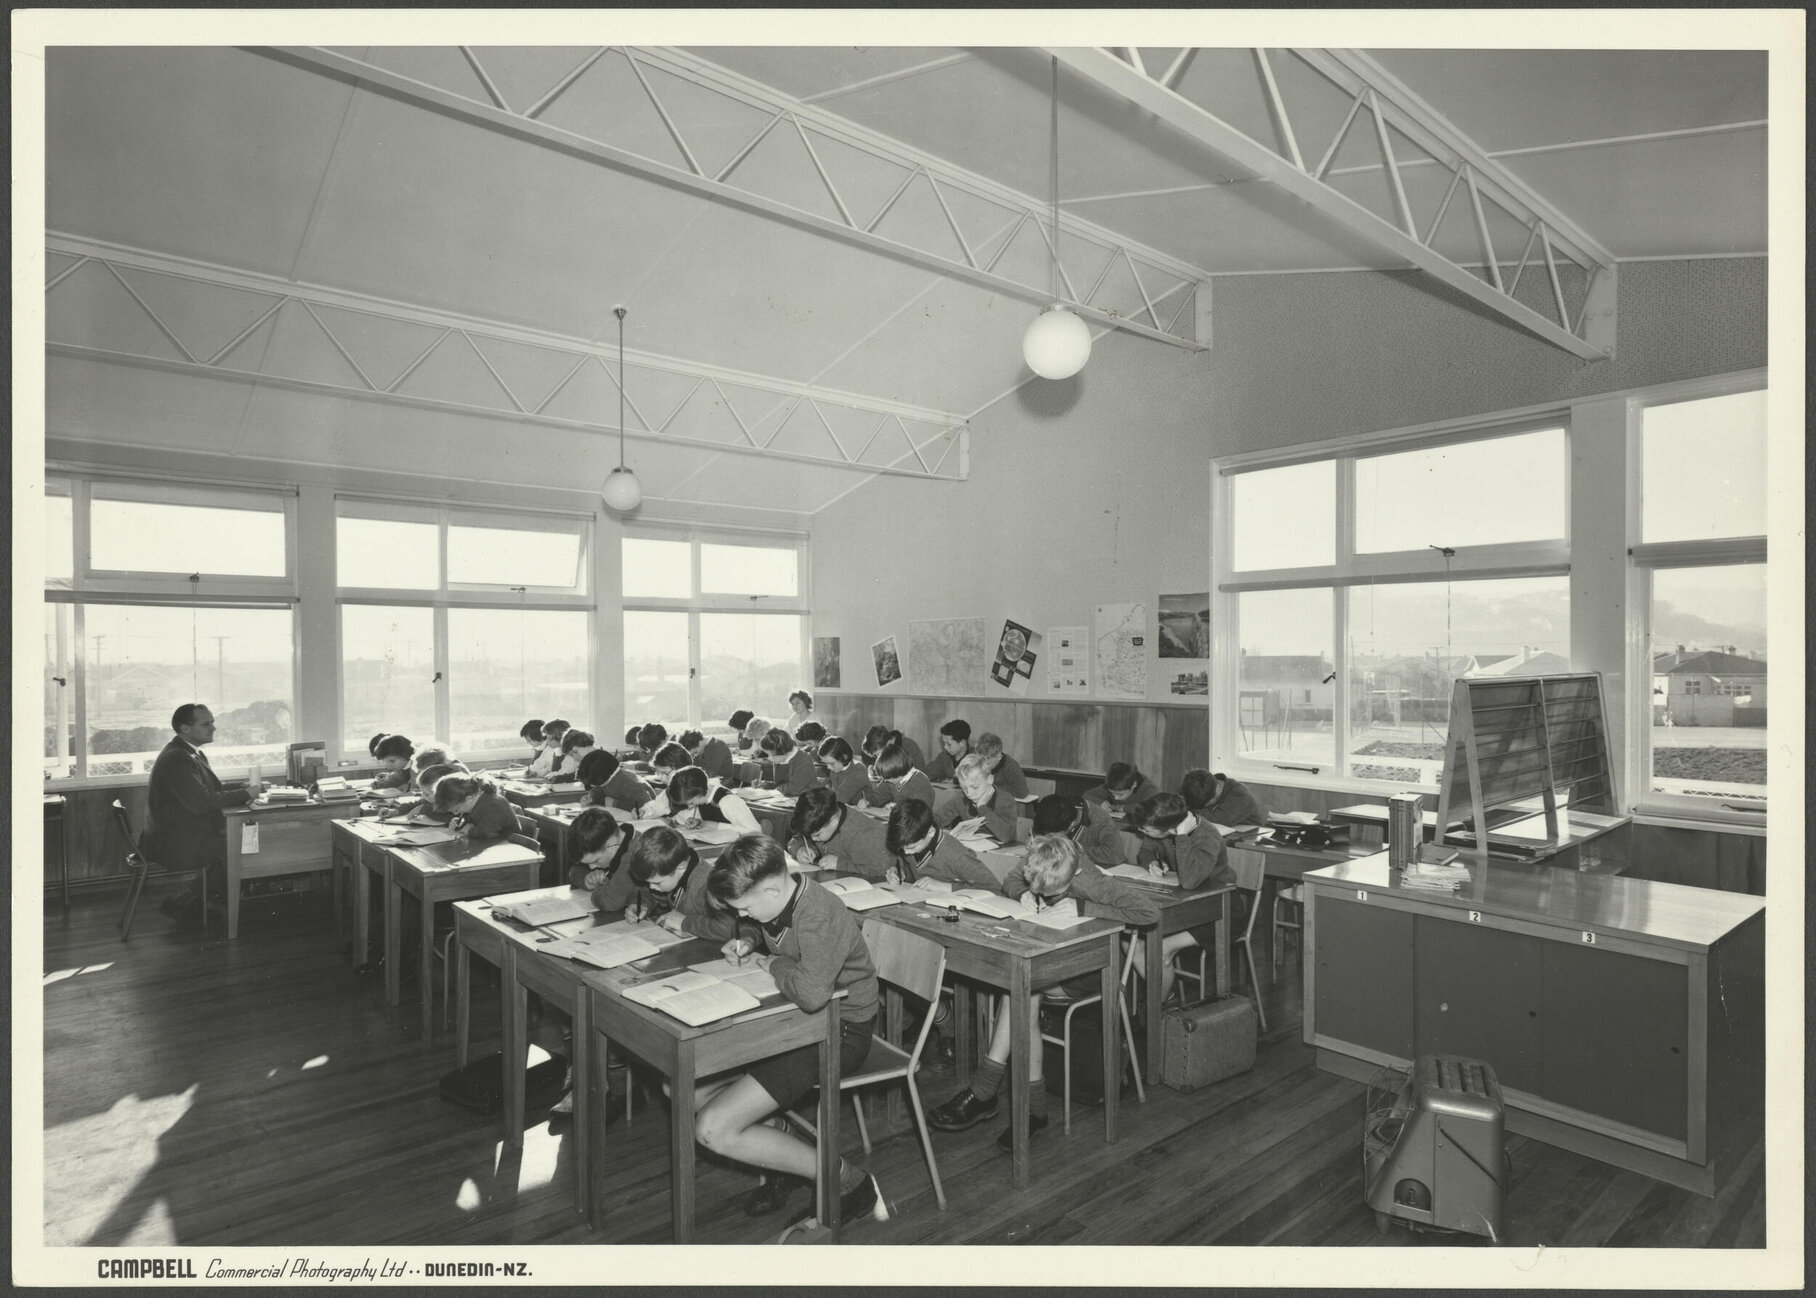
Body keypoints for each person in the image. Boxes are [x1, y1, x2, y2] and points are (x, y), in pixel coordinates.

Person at [926, 835, 1159, 1150]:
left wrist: (1081, 906)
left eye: (1049, 893)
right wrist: (1023, 893)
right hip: (1045, 957)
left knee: (1022, 989)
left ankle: (985, 1090)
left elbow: (1149, 913)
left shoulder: (1091, 881)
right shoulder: (1041, 858)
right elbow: (1011, 879)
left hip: (1089, 971)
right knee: (1024, 989)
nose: (1041, 894)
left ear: (1073, 876)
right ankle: (1032, 1110)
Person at [699, 835, 885, 1222]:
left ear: (771, 887)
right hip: (794, 1020)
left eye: (746, 908)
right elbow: (770, 933)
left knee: (713, 1129)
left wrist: (771, 966)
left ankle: (848, 1181)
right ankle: (781, 1147)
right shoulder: (776, 899)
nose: (744, 915)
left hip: (841, 1030)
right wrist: (748, 940)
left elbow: (813, 993)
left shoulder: (820, 913)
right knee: (688, 1087)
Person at [143, 703, 262, 923]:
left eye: (212, 723)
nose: (213, 728)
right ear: (185, 728)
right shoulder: (178, 758)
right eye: (206, 724)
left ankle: (197, 900)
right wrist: (246, 792)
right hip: (179, 842)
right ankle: (188, 901)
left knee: (244, 842)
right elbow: (201, 801)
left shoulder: (188, 753)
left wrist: (242, 786)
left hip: (182, 834)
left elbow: (208, 790)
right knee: (245, 846)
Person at [1128, 792, 1235, 1005]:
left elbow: (1190, 881)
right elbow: (1146, 851)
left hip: (1219, 911)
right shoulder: (1164, 826)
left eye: (1146, 830)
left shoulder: (1207, 836)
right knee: (1128, 941)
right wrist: (1151, 863)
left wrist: (1181, 837)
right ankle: (1164, 996)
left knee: (1160, 950)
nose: (1142, 832)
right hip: (1185, 904)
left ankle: (1155, 1012)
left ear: (1170, 829)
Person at [614, 826, 741, 938]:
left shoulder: (705, 886)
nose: (651, 887)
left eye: (657, 883)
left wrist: (685, 923)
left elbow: (730, 928)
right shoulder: (671, 872)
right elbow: (652, 895)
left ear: (680, 867)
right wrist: (641, 905)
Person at [884, 798, 999, 889]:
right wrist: (900, 873)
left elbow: (995, 889)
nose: (905, 852)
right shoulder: (910, 840)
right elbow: (913, 872)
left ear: (931, 832)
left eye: (911, 848)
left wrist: (947, 887)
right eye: (902, 848)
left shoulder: (957, 856)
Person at [786, 787, 894, 879]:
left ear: (834, 821)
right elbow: (796, 840)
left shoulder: (863, 834)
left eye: (817, 835)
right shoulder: (819, 820)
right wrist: (799, 849)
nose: (813, 839)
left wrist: (840, 864)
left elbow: (882, 871)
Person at [935, 753, 1020, 844]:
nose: (969, 794)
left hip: (1004, 852)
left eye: (975, 787)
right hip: (974, 848)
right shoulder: (961, 798)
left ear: (989, 780)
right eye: (964, 788)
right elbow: (937, 819)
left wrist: (982, 808)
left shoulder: (1005, 800)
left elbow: (1006, 836)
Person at [1030, 792, 1127, 867]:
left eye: (1052, 836)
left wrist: (1073, 849)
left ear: (1071, 825)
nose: (1049, 839)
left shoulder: (1099, 819)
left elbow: (1116, 855)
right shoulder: (1052, 808)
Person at [662, 765, 762, 835]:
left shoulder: (728, 801)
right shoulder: (705, 796)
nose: (689, 807)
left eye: (691, 803)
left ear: (700, 792)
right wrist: (700, 823)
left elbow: (755, 831)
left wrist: (716, 826)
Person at [566, 807, 636, 907]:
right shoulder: (604, 841)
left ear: (612, 846)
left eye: (596, 861)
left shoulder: (632, 855)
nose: (592, 867)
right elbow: (574, 870)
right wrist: (586, 878)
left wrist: (602, 886)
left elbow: (609, 900)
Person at [432, 773, 522, 840]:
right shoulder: (475, 802)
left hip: (508, 848)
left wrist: (467, 829)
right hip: (492, 845)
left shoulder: (492, 804)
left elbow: (488, 833)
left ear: (468, 798)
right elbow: (474, 820)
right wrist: (460, 822)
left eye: (457, 809)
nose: (456, 813)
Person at [860, 740, 934, 810]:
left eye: (888, 778)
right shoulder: (890, 779)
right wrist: (867, 802)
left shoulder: (920, 781)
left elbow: (922, 811)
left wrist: (898, 807)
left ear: (897, 771)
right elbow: (877, 797)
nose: (885, 781)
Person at [577, 749, 655, 815]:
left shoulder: (628, 784)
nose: (591, 785)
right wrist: (591, 798)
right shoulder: (611, 778)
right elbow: (601, 790)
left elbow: (646, 806)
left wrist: (614, 803)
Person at [1179, 769, 1265, 827]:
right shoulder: (1201, 786)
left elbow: (1219, 820)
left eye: (1206, 804)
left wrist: (1189, 810)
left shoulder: (1241, 795)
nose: (1203, 808)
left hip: (1246, 845)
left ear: (1219, 788)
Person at [1081, 761, 1162, 821]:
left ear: (1134, 785)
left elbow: (1151, 808)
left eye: (1121, 794)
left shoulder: (1149, 788)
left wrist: (1122, 808)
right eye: (1112, 793)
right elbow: (1087, 795)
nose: (1116, 798)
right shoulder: (1115, 785)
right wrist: (1101, 803)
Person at [755, 727, 818, 796]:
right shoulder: (780, 758)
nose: (769, 758)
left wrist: (775, 790)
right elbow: (780, 785)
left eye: (772, 755)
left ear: (783, 751)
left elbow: (794, 787)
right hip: (786, 800)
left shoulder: (804, 760)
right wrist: (766, 785)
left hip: (806, 801)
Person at [972, 732, 1030, 800]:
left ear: (999, 756)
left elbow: (1022, 792)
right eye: (981, 758)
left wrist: (990, 787)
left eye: (988, 758)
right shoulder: (975, 762)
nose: (983, 762)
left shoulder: (1010, 765)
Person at [817, 737, 871, 806]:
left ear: (844, 757)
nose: (828, 767)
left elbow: (840, 798)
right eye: (826, 763)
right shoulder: (836, 769)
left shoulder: (858, 770)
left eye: (831, 763)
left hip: (868, 812)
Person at [922, 719, 971, 784]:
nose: (945, 747)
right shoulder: (944, 757)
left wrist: (955, 781)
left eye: (949, 744)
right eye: (944, 743)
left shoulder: (975, 758)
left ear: (962, 743)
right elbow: (926, 773)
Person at [861, 724, 925, 773]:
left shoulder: (909, 746)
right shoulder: (881, 746)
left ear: (889, 743)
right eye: (876, 756)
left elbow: (917, 773)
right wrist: (872, 768)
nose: (878, 758)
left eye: (878, 754)